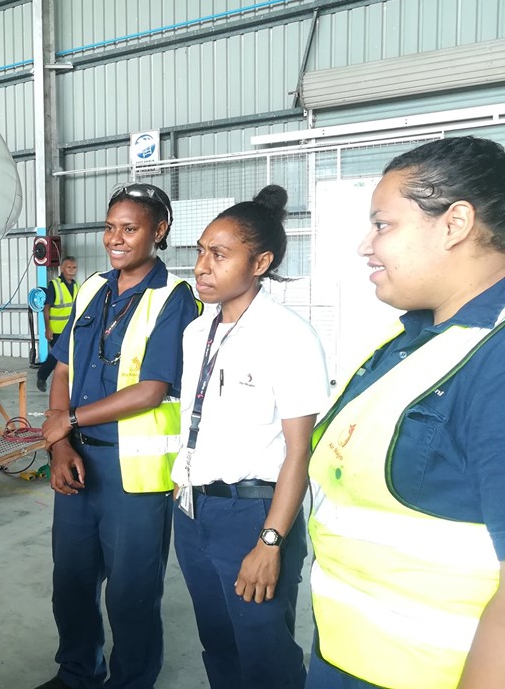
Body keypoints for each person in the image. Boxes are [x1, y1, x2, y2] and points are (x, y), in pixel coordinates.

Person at [308, 136, 505, 689]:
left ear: (454, 224)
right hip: (346, 655)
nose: (365, 246)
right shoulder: (415, 342)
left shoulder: (495, 362)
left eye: (383, 225)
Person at [36, 183, 202, 689]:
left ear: (159, 231)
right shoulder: (91, 288)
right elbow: (62, 366)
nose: (116, 238)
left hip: (135, 475)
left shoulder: (173, 299)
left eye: (130, 229)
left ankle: (131, 680)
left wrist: (70, 423)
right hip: (77, 460)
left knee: (131, 593)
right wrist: (60, 441)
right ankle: (78, 672)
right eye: (110, 228)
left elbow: (151, 390)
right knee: (72, 582)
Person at [170, 186, 328, 689]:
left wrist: (270, 541)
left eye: (218, 255)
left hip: (253, 515)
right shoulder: (198, 332)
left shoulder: (289, 336)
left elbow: (299, 453)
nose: (201, 266)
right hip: (194, 511)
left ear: (260, 262)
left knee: (264, 652)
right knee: (217, 642)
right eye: (199, 251)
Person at [37, 256, 79, 392]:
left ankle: (68, 384)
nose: (72, 271)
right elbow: (46, 307)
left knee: (68, 356)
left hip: (71, 330)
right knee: (57, 356)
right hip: (56, 330)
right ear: (62, 268)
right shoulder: (54, 285)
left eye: (74, 268)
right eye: (69, 267)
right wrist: (47, 328)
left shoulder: (77, 286)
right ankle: (42, 376)